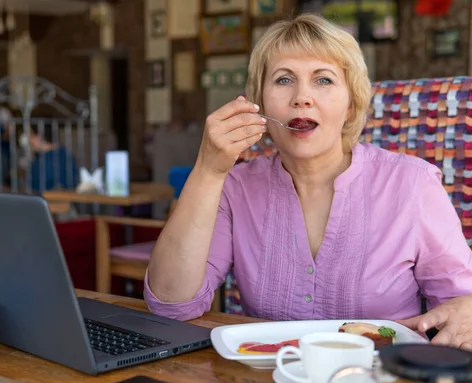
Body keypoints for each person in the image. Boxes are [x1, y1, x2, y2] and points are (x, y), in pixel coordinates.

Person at [143, 14, 472, 349]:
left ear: (351, 103)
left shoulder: (412, 185)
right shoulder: (236, 187)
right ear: (258, 102)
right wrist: (208, 170)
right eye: (284, 80)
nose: (301, 97)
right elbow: (172, 304)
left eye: (324, 80)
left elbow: (462, 305)